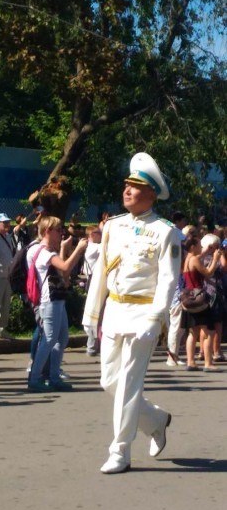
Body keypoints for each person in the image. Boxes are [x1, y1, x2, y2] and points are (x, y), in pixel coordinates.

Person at [82, 152, 182, 474]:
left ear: (151, 194)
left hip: (142, 312)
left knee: (128, 384)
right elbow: (101, 274)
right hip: (114, 310)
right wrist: (92, 314)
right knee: (109, 380)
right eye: (126, 184)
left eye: (136, 186)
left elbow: (168, 278)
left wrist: (157, 318)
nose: (127, 190)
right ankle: (155, 419)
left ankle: (120, 451)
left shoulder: (165, 232)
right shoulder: (113, 226)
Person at [27, 216, 88, 392]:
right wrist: (78, 249)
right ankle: (35, 377)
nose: (61, 233)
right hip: (50, 300)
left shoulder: (44, 250)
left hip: (57, 299)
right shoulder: (45, 253)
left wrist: (63, 248)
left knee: (61, 338)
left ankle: (53, 377)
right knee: (49, 338)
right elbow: (65, 267)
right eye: (58, 230)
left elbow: (62, 274)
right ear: (48, 231)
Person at [180, 235, 221, 371]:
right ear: (193, 247)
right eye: (199, 245)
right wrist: (215, 258)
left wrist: (207, 252)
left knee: (193, 332)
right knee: (209, 331)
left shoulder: (188, 259)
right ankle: (208, 363)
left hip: (188, 297)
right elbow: (208, 273)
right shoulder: (195, 260)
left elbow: (197, 258)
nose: (201, 247)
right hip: (199, 298)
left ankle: (191, 361)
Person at [82, 226, 102, 356]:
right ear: (92, 235)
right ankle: (91, 346)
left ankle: (94, 345)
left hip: (93, 280)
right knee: (95, 312)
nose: (101, 235)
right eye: (99, 233)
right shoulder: (93, 247)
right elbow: (109, 247)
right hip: (94, 280)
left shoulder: (92, 247)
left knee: (96, 312)